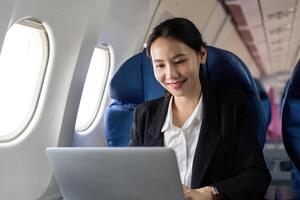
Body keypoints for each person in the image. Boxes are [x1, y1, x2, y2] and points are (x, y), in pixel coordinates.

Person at [129, 17, 271, 200]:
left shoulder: (233, 107)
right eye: (160, 65)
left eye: (179, 61)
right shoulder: (144, 114)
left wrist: (209, 193)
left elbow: (256, 176)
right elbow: (132, 174)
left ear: (202, 55)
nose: (171, 75)